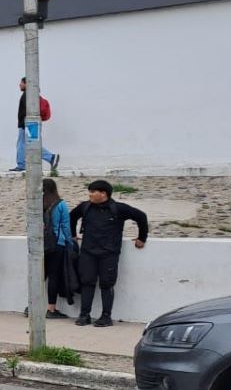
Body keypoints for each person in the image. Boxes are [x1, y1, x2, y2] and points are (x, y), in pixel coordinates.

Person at [70, 180, 149, 328]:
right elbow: (72, 217)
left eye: (93, 192)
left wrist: (141, 238)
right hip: (88, 252)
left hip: (109, 253)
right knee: (87, 282)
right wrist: (73, 234)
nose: (90, 194)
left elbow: (141, 217)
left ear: (103, 193)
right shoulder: (85, 207)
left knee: (107, 284)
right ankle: (84, 315)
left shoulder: (118, 208)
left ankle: (106, 317)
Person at [11, 77, 59, 173]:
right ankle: (50, 157)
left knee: (22, 144)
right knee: (32, 144)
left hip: (26, 124)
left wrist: (23, 123)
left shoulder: (27, 95)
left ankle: (21, 165)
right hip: (32, 123)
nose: (19, 85)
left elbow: (27, 111)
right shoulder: (33, 95)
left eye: (21, 83)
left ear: (27, 84)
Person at [42, 178, 74, 318]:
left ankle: (32, 306)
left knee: (40, 276)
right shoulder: (60, 204)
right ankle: (51, 309)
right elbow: (65, 226)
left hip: (40, 245)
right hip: (57, 244)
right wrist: (70, 242)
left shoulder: (36, 204)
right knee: (53, 276)